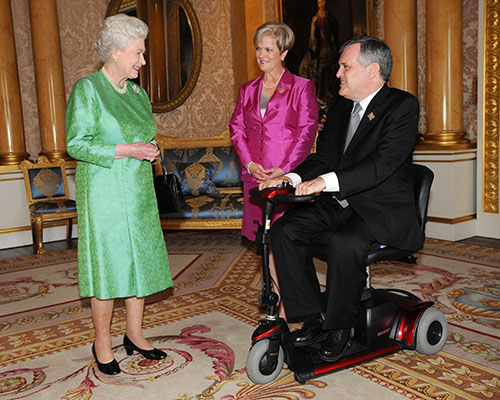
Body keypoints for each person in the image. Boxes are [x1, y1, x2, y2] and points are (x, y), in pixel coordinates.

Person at [259, 36, 422, 362]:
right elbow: (323, 158)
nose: (337, 73)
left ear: (372, 70)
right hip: (341, 201)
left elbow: (382, 165)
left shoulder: (402, 106)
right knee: (284, 230)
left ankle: (339, 328)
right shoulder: (339, 108)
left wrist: (326, 182)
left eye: (345, 66)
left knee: (344, 243)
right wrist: (292, 178)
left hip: (380, 207)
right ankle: (314, 316)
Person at [65, 14, 173, 375]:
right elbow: (76, 144)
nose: (143, 61)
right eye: (137, 53)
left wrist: (151, 147)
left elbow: (146, 133)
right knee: (108, 265)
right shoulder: (88, 90)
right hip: (104, 191)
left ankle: (135, 334)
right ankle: (101, 342)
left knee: (139, 259)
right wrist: (128, 150)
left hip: (138, 188)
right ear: (114, 51)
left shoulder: (138, 93)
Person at [229, 22, 318, 318]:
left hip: (286, 175)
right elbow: (236, 128)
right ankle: (277, 297)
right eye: (258, 48)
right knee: (264, 237)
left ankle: (291, 299)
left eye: (268, 49)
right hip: (255, 175)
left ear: (284, 52)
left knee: (286, 237)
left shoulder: (301, 87)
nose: (261, 54)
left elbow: (307, 131)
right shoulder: (248, 89)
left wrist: (285, 168)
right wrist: (249, 162)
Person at [298, 0, 338, 103]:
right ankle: (320, 91)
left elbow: (335, 33)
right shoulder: (315, 19)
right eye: (319, 2)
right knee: (320, 69)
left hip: (329, 48)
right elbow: (313, 36)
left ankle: (328, 90)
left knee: (330, 69)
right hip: (320, 49)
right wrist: (314, 48)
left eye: (323, 2)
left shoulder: (331, 18)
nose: (321, 4)